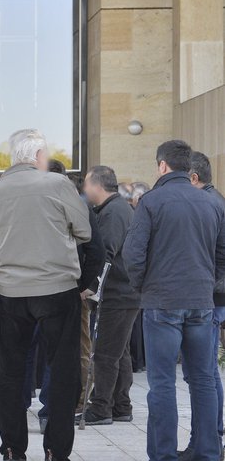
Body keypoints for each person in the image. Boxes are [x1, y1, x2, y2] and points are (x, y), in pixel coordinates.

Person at [0, 129, 91, 461]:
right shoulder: (56, 184)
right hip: (55, 286)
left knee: (12, 371)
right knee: (62, 369)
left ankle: (13, 450)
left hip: (10, 290)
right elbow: (84, 230)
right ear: (37, 157)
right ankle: (56, 452)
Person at [123, 141, 225, 461]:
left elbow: (133, 255)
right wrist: (207, 286)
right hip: (201, 301)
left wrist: (143, 288)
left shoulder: (151, 202)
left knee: (162, 383)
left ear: (162, 166)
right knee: (204, 381)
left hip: (162, 301)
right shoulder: (211, 202)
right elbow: (221, 256)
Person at [77, 166, 140, 425]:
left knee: (104, 353)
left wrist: (91, 285)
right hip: (124, 292)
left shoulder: (114, 212)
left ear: (98, 185)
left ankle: (101, 408)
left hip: (118, 293)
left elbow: (107, 253)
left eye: (87, 184)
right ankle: (121, 405)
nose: (84, 189)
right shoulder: (116, 209)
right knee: (119, 352)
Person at [179, 151, 225, 461]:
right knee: (206, 373)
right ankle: (209, 440)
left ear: (194, 178)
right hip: (212, 296)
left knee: (204, 373)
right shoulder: (213, 201)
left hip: (210, 298)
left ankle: (208, 441)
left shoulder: (210, 204)